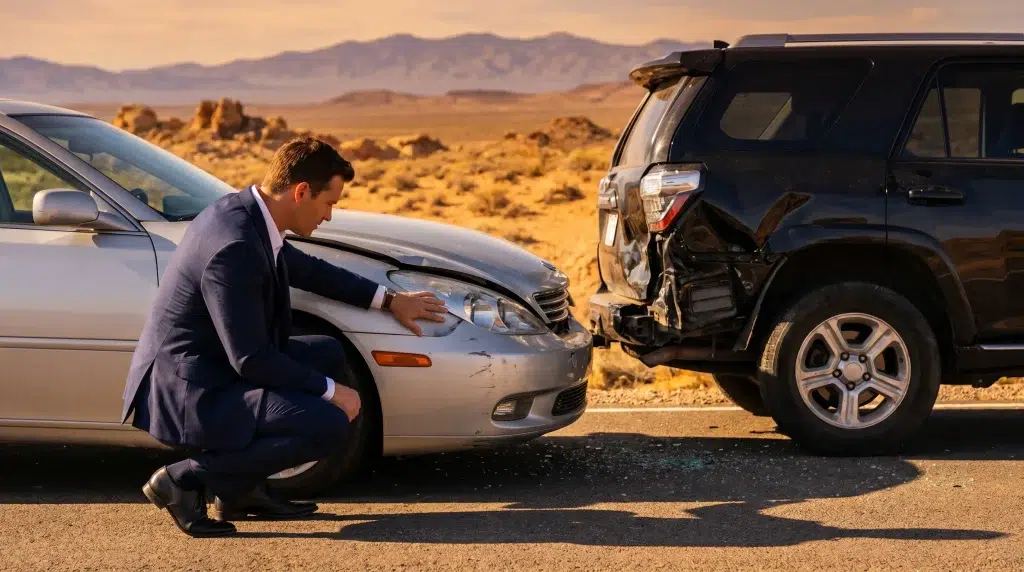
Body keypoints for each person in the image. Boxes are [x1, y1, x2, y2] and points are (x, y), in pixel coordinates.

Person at [121, 136, 448, 537]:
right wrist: (332, 392)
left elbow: (304, 268)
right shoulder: (235, 246)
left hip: (213, 365)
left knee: (326, 352)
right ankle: (185, 479)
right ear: (301, 191)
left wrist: (389, 300)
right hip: (189, 388)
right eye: (329, 203)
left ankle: (240, 489)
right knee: (327, 424)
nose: (329, 216)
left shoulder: (246, 213)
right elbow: (251, 359)